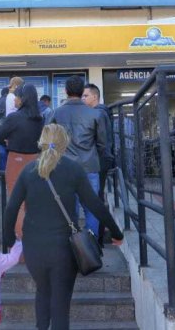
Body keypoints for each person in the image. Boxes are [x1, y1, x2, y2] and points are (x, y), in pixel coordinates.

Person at [3, 124, 123, 330]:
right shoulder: (73, 169)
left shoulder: (28, 171)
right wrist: (116, 232)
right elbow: (94, 204)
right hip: (63, 249)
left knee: (42, 291)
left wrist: (9, 241)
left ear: (41, 142)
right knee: (60, 302)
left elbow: (11, 208)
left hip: (33, 248)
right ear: (65, 143)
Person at [52, 75, 107, 238]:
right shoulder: (95, 114)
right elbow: (102, 144)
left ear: (65, 91)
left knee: (69, 209)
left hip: (64, 168)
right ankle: (91, 245)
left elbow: (47, 143)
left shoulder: (55, 113)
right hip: (90, 167)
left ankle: (72, 243)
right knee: (92, 209)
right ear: (82, 91)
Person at [0, 84, 45, 237]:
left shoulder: (14, 117)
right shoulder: (40, 119)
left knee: (17, 202)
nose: (14, 100)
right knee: (32, 201)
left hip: (16, 161)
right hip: (36, 161)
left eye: (16, 97)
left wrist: (9, 140)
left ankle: (21, 242)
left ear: (23, 98)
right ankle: (34, 238)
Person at [82, 83, 116, 244]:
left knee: (96, 199)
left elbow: (100, 141)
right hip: (101, 159)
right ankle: (99, 235)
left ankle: (98, 237)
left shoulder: (98, 113)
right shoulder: (101, 112)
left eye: (86, 95)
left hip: (99, 160)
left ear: (95, 97)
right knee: (97, 197)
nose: (83, 98)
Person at [0, 77, 24, 170]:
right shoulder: (13, 97)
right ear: (17, 85)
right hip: (15, 131)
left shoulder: (9, 96)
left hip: (11, 130)